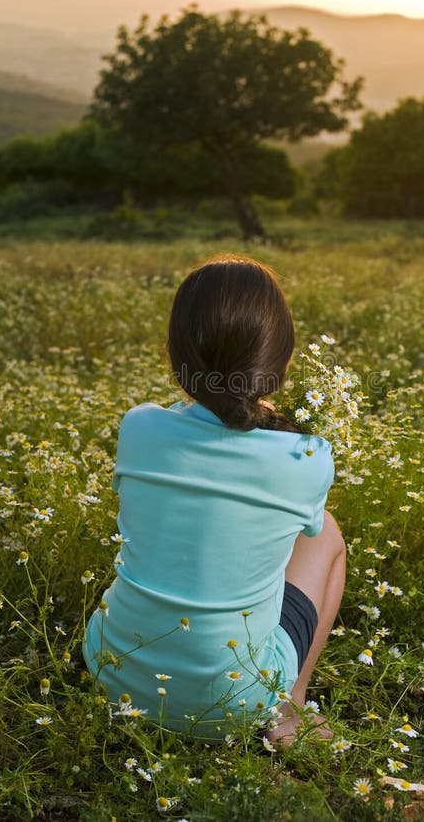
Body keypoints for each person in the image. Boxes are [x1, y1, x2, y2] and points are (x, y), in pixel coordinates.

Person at [82, 255, 346, 744]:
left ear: (172, 354)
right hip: (237, 699)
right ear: (282, 359)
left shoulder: (138, 427)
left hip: (113, 673)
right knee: (324, 531)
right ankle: (289, 710)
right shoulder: (306, 456)